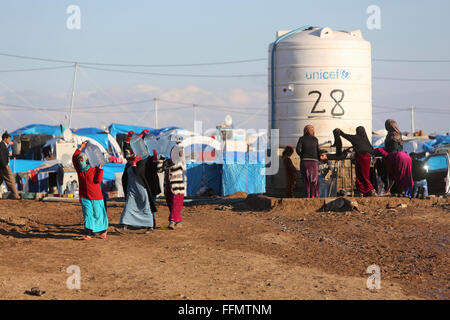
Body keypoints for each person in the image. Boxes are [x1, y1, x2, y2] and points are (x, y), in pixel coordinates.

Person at [72, 141, 108, 240]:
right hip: (84, 196)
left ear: (87, 161)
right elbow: (74, 158)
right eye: (80, 160)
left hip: (96, 196)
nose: (81, 162)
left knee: (98, 214)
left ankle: (103, 231)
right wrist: (80, 148)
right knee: (88, 214)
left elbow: (98, 180)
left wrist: (100, 169)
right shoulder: (79, 170)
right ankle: (88, 233)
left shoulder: (93, 168)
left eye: (82, 160)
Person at [116, 148, 157, 234]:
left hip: (141, 188)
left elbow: (139, 173)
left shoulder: (141, 162)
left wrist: (134, 164)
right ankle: (123, 226)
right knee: (128, 207)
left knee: (145, 207)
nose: (129, 154)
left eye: (130, 153)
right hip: (131, 189)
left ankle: (150, 227)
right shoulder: (128, 163)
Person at [334, 126, 377, 197]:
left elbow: (346, 136)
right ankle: (363, 191)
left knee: (361, 175)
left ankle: (370, 190)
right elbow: (370, 149)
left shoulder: (356, 138)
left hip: (360, 157)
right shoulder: (366, 140)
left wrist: (340, 132)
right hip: (366, 158)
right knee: (364, 175)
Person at [159, 142, 186, 229]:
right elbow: (159, 170)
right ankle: (178, 221)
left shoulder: (180, 162)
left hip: (177, 187)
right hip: (168, 186)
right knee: (171, 204)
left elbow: (182, 155)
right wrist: (160, 159)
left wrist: (179, 146)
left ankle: (172, 221)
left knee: (176, 204)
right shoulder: (167, 161)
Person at [296, 125, 325, 198]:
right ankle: (314, 195)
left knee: (306, 180)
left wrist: (302, 156)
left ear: (305, 131)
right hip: (314, 162)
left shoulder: (302, 138)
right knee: (314, 180)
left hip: (305, 161)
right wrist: (321, 156)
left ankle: (307, 196)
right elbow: (318, 150)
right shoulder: (315, 139)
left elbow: (297, 149)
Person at [0, 131, 20, 200]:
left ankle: (16, 195)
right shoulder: (1, 145)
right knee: (11, 181)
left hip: (2, 167)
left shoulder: (4, 145)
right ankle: (16, 196)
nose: (9, 140)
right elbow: (1, 156)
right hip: (4, 167)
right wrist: (5, 165)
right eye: (8, 138)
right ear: (4, 139)